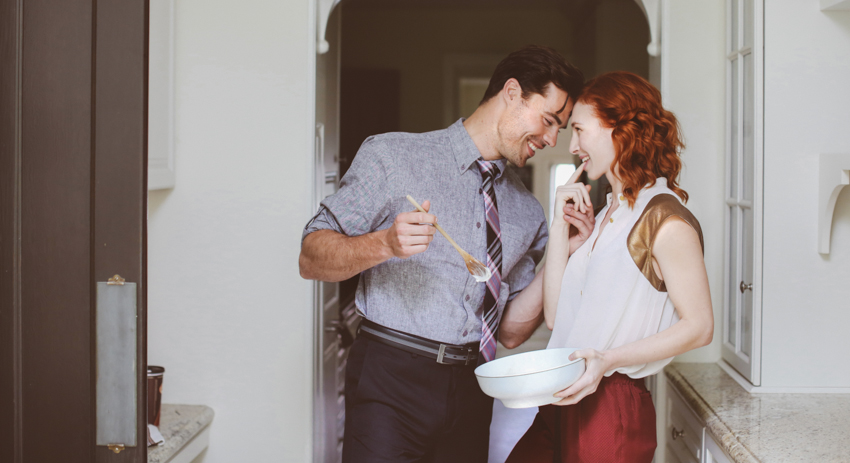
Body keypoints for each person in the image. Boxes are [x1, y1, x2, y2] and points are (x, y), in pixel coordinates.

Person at [299, 45, 586, 463]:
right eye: (549, 120)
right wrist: (384, 244)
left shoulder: (528, 213)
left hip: (474, 389)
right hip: (390, 381)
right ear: (512, 92)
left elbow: (509, 332)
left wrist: (565, 248)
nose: (552, 140)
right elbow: (310, 257)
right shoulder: (392, 157)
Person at [506, 71, 714, 463]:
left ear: (619, 129)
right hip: (564, 396)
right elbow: (555, 317)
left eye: (579, 130)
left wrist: (609, 360)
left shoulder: (664, 219)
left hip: (610, 403)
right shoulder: (606, 216)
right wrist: (559, 227)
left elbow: (700, 327)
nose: (572, 146)